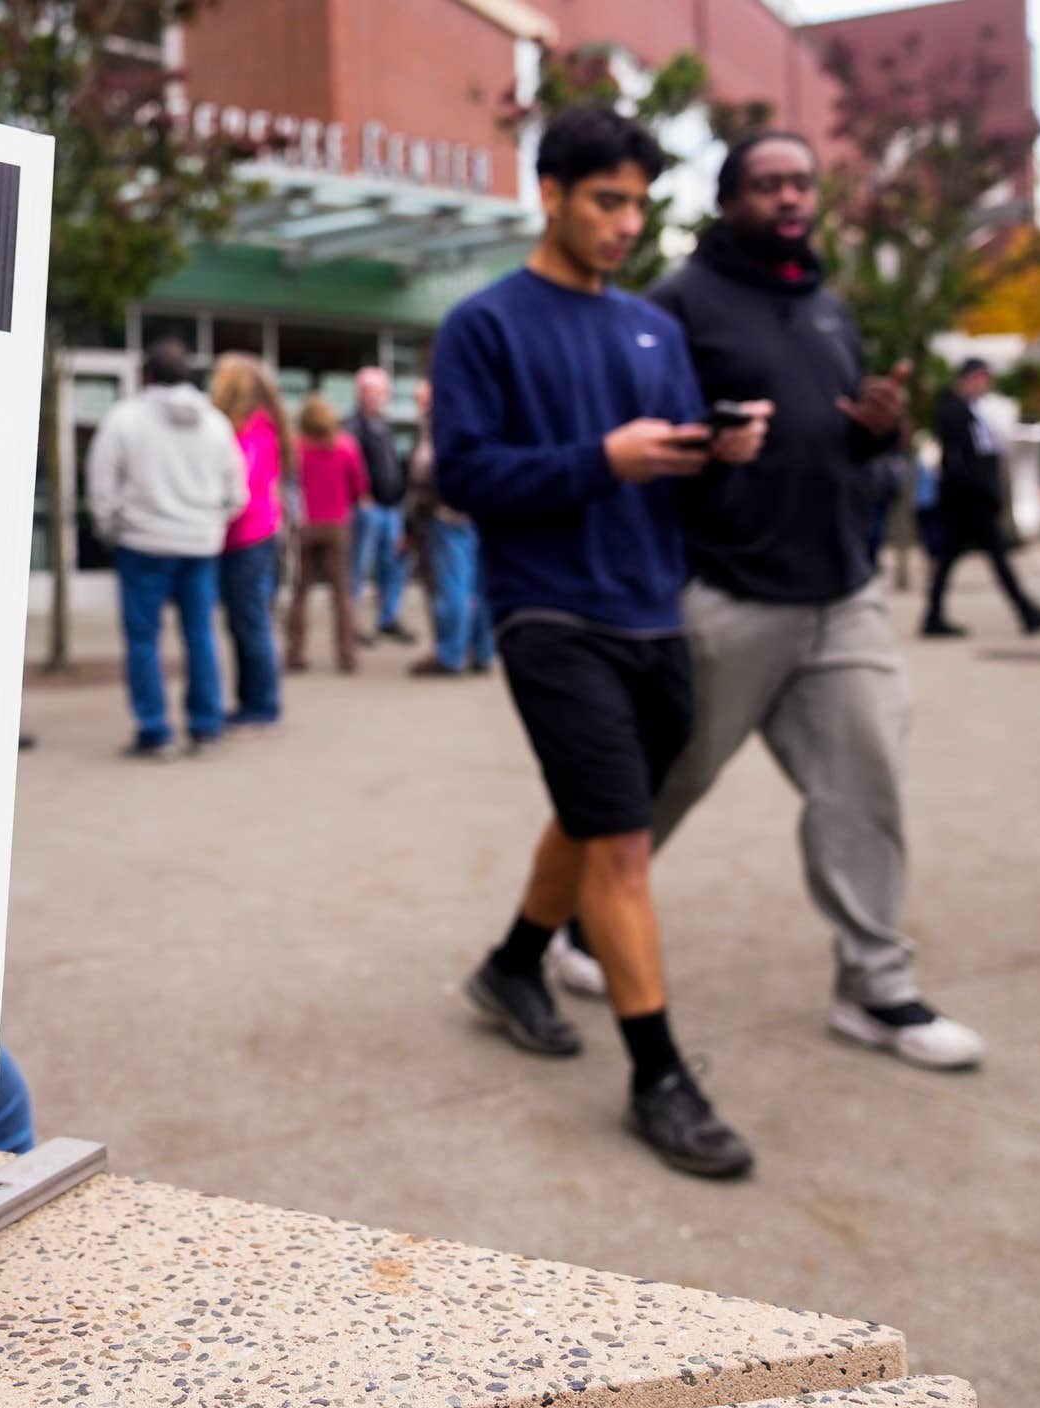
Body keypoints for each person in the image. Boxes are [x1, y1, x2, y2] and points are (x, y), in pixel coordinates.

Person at [539, 132, 984, 1070]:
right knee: (663, 785)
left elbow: (837, 446)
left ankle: (876, 988)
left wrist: (875, 436)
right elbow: (637, 450)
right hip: (723, 593)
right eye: (769, 184)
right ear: (730, 199)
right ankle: (581, 925)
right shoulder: (675, 307)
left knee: (866, 783)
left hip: (840, 596)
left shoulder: (826, 307)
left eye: (803, 183)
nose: (790, 198)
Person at [433, 105, 770, 1178]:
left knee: (595, 812)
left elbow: (664, 467)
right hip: (548, 610)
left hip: (650, 608)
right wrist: (598, 460)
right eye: (605, 201)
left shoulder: (653, 329)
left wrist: (717, 452)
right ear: (551, 194)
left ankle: (513, 965)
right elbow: (467, 477)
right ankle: (659, 1077)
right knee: (621, 839)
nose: (625, 223)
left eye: (637, 203)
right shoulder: (483, 325)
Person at [85, 337, 246, 758]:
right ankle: (206, 727)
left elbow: (102, 484)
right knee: (200, 636)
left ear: (147, 375)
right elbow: (237, 493)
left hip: (141, 545)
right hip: (200, 545)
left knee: (143, 640)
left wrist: (112, 528)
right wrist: (210, 523)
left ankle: (155, 732)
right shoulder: (216, 424)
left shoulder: (124, 419)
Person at [923, 358, 1040, 637]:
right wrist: (981, 489)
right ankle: (1026, 611)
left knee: (952, 559)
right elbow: (958, 460)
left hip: (972, 498)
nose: (984, 385)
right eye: (981, 378)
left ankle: (933, 616)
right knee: (994, 555)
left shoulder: (971, 410)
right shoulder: (953, 410)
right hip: (968, 500)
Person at [213, 353, 290, 727]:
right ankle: (251, 703)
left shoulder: (254, 430)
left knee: (251, 623)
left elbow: (241, 485)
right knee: (245, 623)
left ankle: (262, 707)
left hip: (249, 537)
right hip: (247, 536)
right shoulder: (258, 428)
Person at [405, 380, 497, 677]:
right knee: (478, 586)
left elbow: (425, 464)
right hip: (482, 511)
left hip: (451, 513)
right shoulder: (485, 412)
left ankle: (451, 654)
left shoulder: (444, 420)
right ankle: (482, 651)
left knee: (454, 586)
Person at [287, 393, 368, 673]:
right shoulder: (346, 447)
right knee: (341, 593)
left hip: (307, 523)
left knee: (299, 592)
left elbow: (287, 483)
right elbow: (359, 485)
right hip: (337, 523)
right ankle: (347, 654)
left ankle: (294, 652)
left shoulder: (297, 448)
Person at [347, 367, 417, 644]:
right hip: (369, 509)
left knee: (395, 564)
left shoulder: (383, 425)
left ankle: (389, 617)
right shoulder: (353, 425)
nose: (378, 397)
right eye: (372, 391)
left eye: (381, 392)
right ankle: (352, 622)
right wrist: (362, 496)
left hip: (392, 507)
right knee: (359, 567)